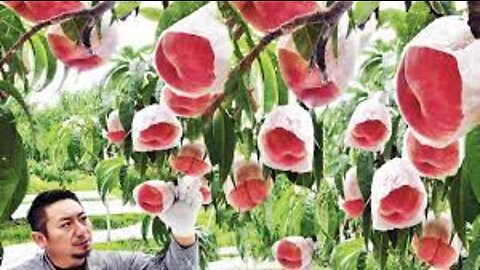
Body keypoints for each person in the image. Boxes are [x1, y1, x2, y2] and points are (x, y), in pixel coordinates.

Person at [11, 178, 203, 270]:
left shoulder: (117, 264)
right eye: (66, 224)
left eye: (83, 218)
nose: (82, 230)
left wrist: (183, 231)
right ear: (40, 239)